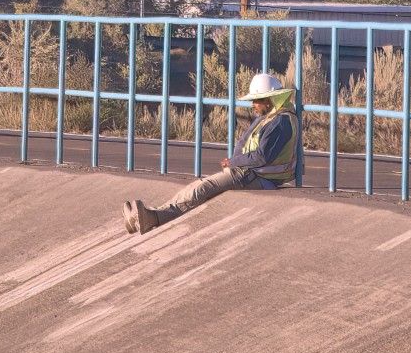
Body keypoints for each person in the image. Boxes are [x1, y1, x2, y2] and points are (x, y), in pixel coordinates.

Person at [123, 71, 297, 234]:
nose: (253, 105)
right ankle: (146, 216)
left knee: (203, 188)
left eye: (256, 100)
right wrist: (235, 161)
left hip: (259, 177)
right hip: (250, 173)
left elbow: (262, 156)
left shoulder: (280, 122)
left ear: (269, 100)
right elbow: (245, 143)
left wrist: (233, 162)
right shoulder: (269, 118)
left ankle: (153, 218)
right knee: (196, 186)